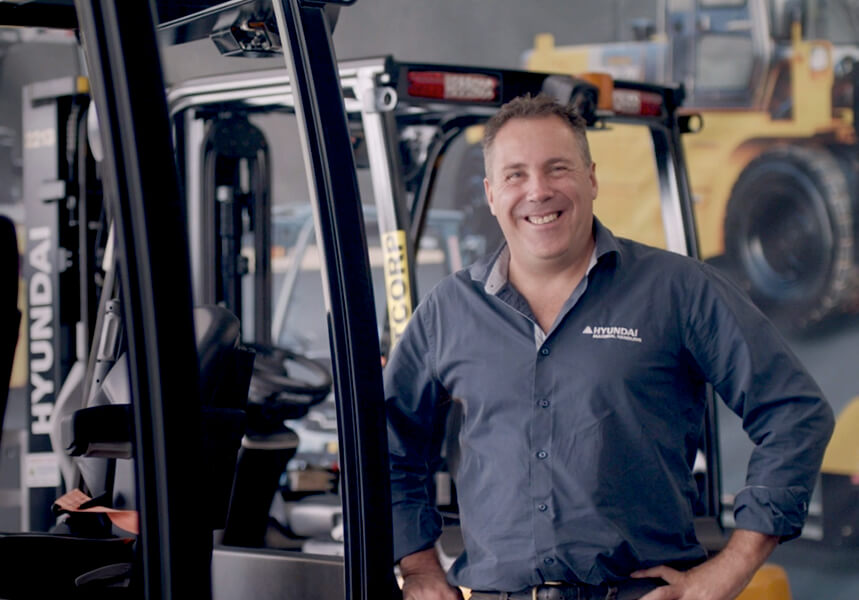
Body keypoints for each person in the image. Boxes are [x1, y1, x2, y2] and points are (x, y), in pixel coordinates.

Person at [384, 94, 835, 600]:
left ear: (591, 178)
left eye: (558, 168)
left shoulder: (678, 289)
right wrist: (418, 565)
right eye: (515, 175)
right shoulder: (451, 309)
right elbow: (388, 442)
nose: (538, 191)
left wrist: (733, 565)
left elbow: (794, 413)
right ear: (491, 193)